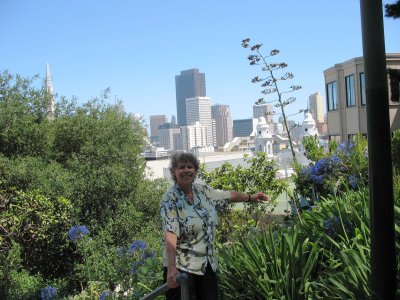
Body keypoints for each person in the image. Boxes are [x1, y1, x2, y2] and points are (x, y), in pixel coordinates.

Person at [160, 152, 268, 300]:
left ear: (195, 170)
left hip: (206, 265)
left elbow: (229, 195)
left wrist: (250, 197)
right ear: (174, 172)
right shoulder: (170, 199)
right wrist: (171, 269)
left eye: (190, 167)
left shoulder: (203, 192)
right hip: (181, 267)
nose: (186, 170)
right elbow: (171, 232)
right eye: (182, 167)